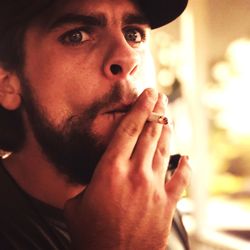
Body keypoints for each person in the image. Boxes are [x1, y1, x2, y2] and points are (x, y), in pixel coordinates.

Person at [0, 0, 191, 249]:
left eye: (133, 34)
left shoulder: (156, 200)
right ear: (7, 84)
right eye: (76, 36)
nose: (128, 56)